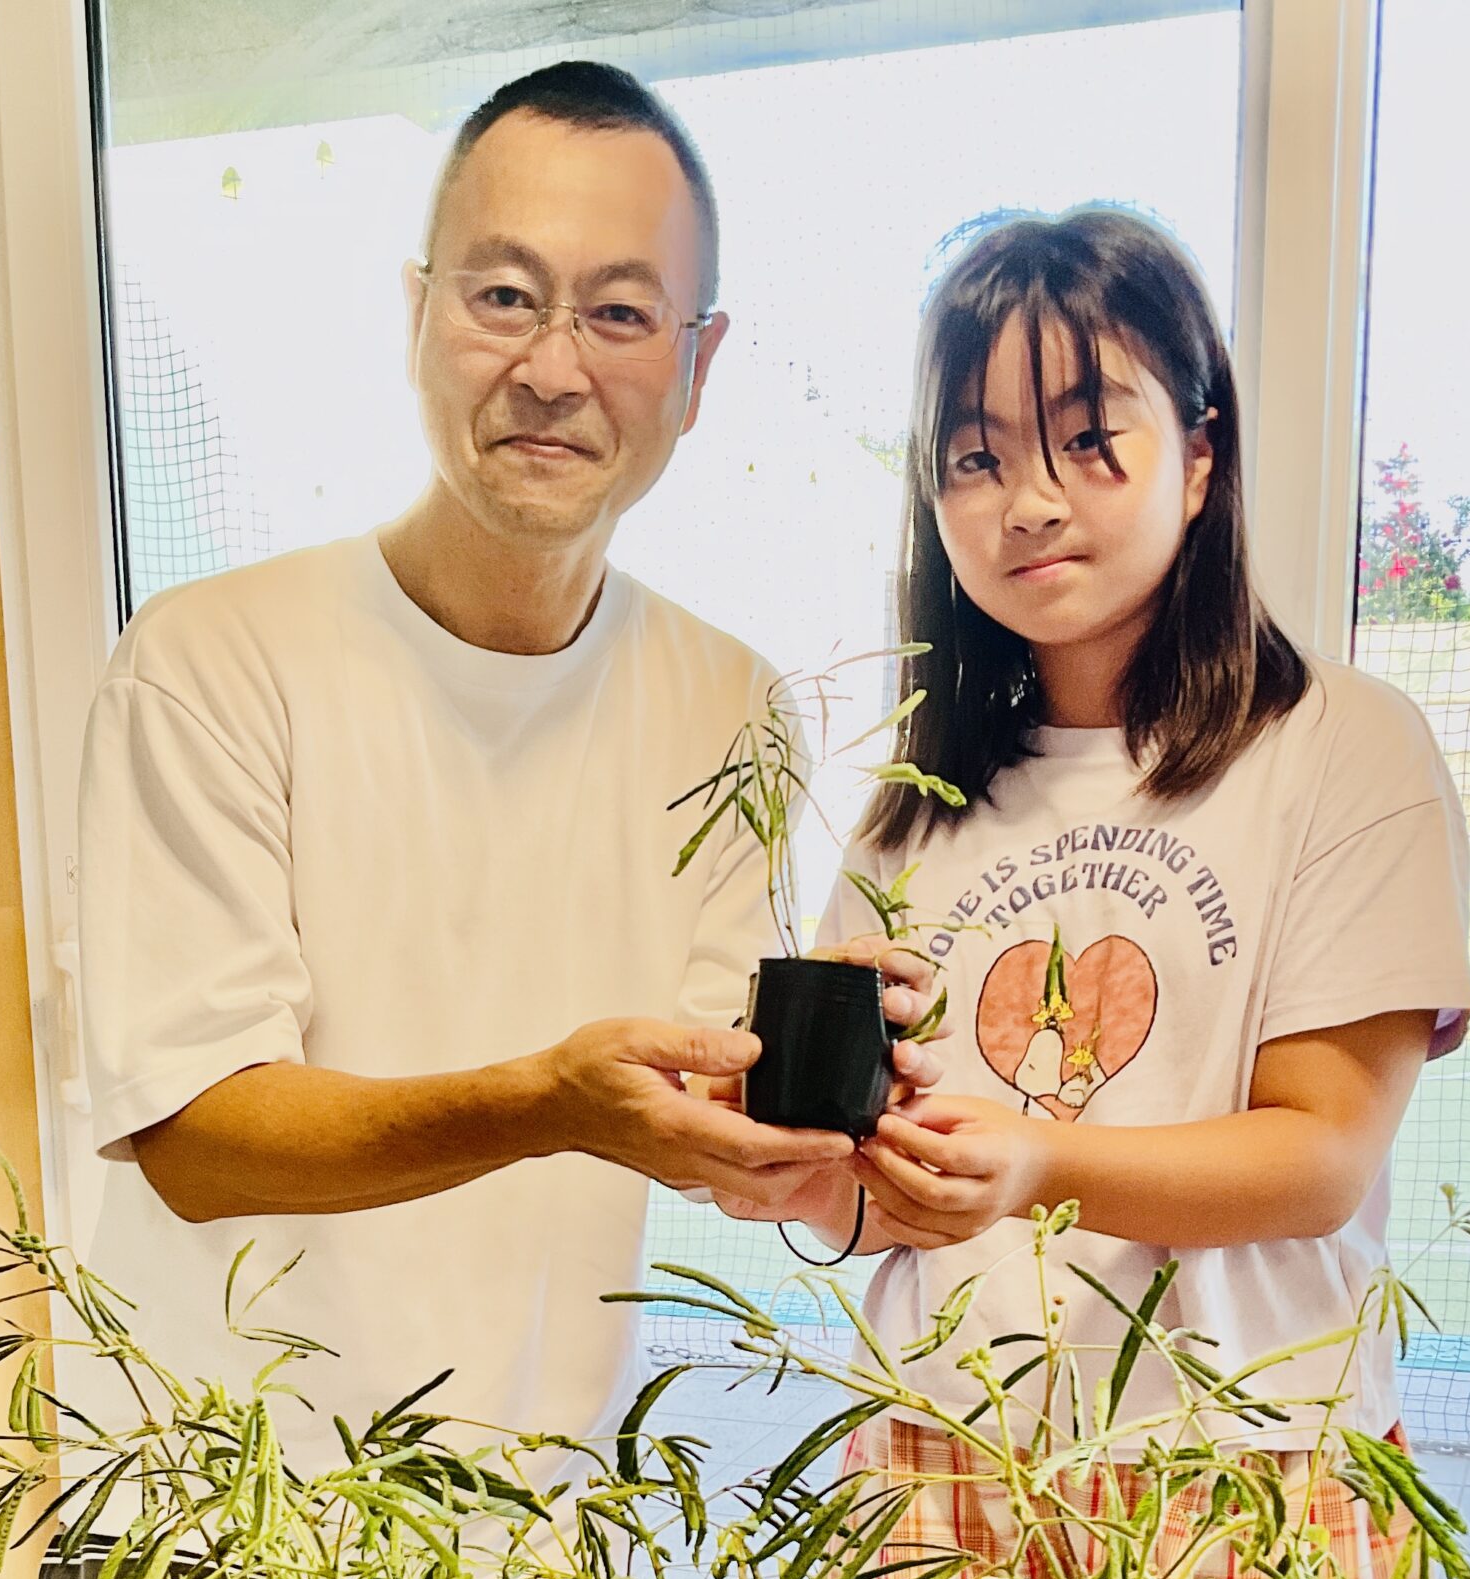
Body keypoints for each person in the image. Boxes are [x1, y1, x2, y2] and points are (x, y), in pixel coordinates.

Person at [75, 60, 933, 1467]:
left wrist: (826, 1067)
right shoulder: (210, 660)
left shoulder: (732, 705)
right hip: (231, 1529)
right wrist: (544, 1104)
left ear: (696, 367)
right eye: (504, 296)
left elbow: (704, 1095)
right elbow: (198, 1133)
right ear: (417, 315)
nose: (552, 367)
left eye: (618, 312)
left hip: (537, 1527)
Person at [716, 208, 1470, 1579]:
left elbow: (1319, 1155)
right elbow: (879, 1196)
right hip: (943, 1464)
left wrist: (1037, 1164)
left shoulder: (1339, 750)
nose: (1030, 500)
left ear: (1201, 456)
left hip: (1248, 1464)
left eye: (1088, 439)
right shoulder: (913, 804)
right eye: (977, 456)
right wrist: (779, 1173)